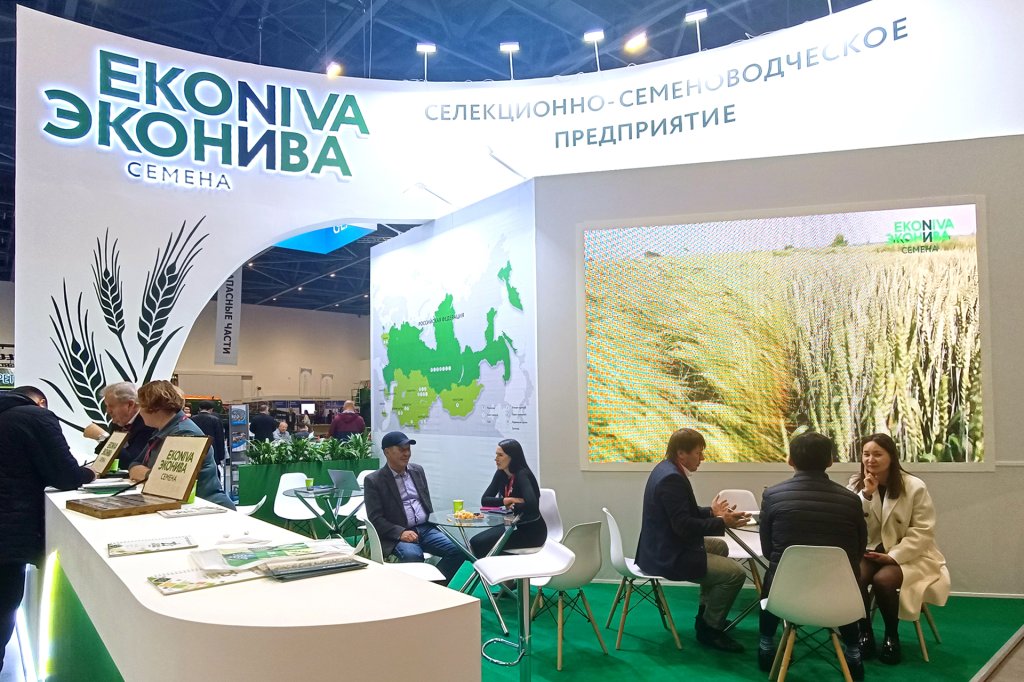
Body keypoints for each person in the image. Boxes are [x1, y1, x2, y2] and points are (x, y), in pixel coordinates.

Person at [0, 386, 96, 671]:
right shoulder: (36, 417)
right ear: (41, 402)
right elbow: (65, 475)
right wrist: (91, 473)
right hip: (7, 534)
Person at [758, 432, 867, 677]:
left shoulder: (772, 496)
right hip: (839, 598)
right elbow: (858, 550)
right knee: (847, 579)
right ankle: (853, 654)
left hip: (784, 598)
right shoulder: (851, 501)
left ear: (790, 460)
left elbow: (767, 551)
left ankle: (766, 647)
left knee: (772, 575)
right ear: (830, 461)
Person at [635, 428, 749, 653]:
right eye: (698, 453)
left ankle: (706, 616)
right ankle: (710, 630)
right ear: (681, 453)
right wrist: (722, 522)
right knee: (736, 574)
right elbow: (683, 526)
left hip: (661, 546)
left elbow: (682, 512)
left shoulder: (666, 469)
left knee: (720, 546)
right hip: (668, 555)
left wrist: (712, 513)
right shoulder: (672, 478)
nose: (702, 458)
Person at [848, 433, 950, 665]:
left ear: (891, 457)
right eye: (866, 454)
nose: (870, 460)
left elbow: (923, 531)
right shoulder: (856, 484)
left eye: (877, 454)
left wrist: (893, 557)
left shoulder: (914, 486)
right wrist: (866, 495)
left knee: (883, 581)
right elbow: (852, 522)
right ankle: (864, 633)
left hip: (910, 555)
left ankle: (891, 636)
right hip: (870, 551)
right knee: (855, 576)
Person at [363, 431, 464, 584]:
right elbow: (375, 519)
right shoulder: (374, 480)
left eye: (408, 449)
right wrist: (400, 532)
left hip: (426, 528)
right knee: (413, 556)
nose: (407, 454)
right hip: (398, 533)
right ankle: (417, 591)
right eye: (401, 450)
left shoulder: (417, 471)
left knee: (458, 550)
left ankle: (434, 586)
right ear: (387, 452)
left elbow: (425, 503)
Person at [126, 380, 235, 509]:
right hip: (186, 505)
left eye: (141, 406)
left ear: (153, 408)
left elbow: (169, 482)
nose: (140, 412)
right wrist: (150, 475)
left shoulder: (185, 433)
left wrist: (146, 474)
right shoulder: (163, 431)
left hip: (205, 507)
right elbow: (134, 464)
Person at [470, 439, 547, 558]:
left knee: (482, 545)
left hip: (531, 532)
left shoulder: (522, 474)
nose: (496, 459)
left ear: (512, 457)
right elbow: (485, 500)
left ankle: (499, 569)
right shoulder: (501, 474)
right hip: (511, 526)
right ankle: (489, 569)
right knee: (475, 542)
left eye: (500, 455)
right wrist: (507, 500)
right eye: (496, 454)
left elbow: (532, 505)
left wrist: (515, 503)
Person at [94, 382, 157, 470]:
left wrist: (103, 437)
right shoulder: (118, 422)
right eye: (106, 406)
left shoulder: (147, 423)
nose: (108, 411)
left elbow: (132, 462)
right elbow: (105, 457)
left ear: (130, 405)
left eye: (111, 406)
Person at [190, 401, 226, 466]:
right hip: (212, 449)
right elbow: (220, 438)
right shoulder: (215, 420)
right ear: (211, 409)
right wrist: (221, 455)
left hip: (196, 449)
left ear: (199, 408)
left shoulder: (192, 419)